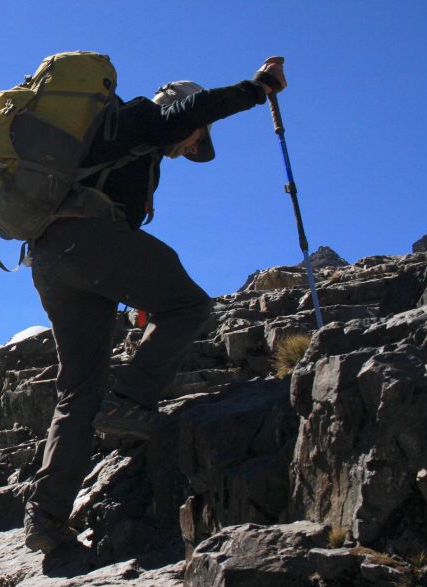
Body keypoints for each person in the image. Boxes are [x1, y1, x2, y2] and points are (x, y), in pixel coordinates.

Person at [23, 58, 288, 554]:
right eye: (195, 136)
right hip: (88, 240)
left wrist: (136, 297)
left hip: (51, 256)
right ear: (185, 115)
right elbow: (195, 108)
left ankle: (46, 520)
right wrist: (258, 88)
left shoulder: (122, 145)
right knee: (190, 305)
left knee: (78, 392)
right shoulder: (141, 116)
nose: (190, 147)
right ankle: (127, 400)